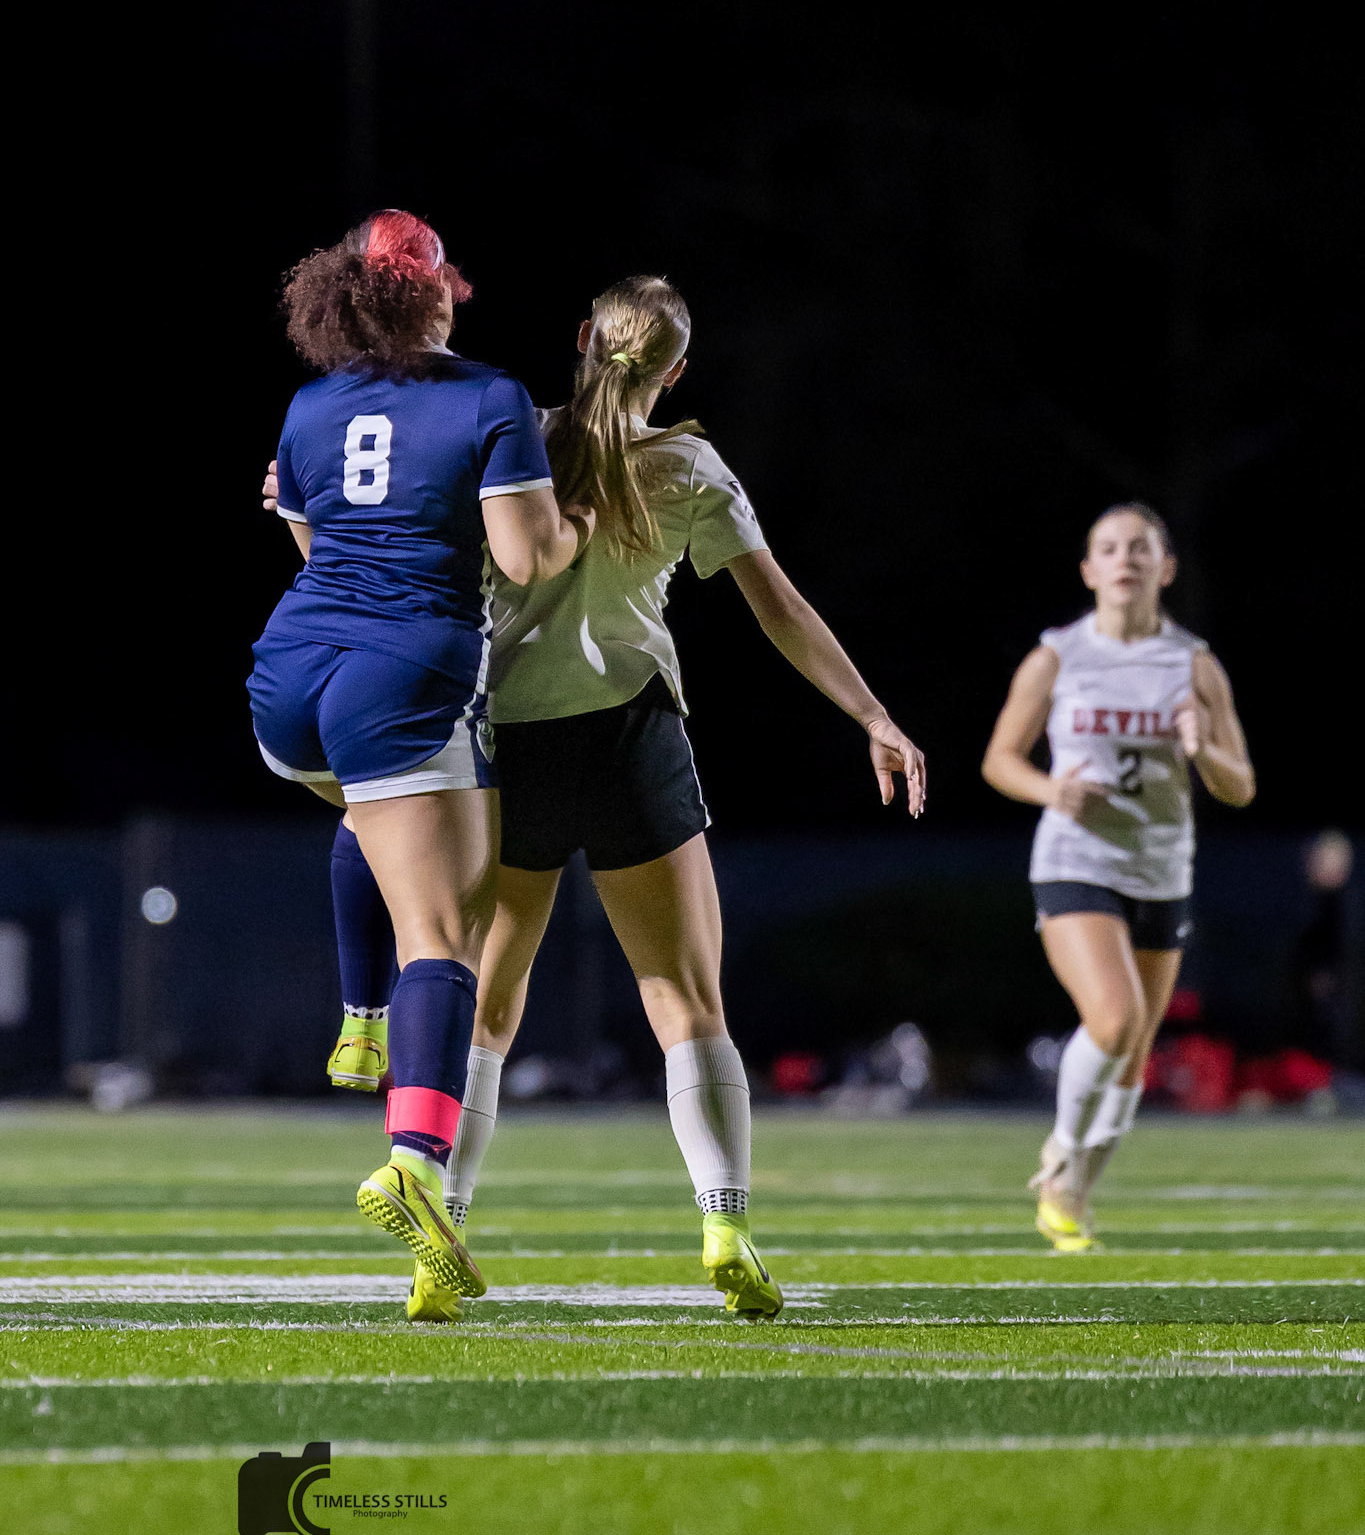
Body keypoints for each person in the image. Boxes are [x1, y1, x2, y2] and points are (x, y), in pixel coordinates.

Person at [265, 274, 925, 1324]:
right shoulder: (690, 464)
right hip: (630, 736)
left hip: (508, 740)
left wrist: (305, 492)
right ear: (676, 371)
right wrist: (873, 715)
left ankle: (443, 1233)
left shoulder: (507, 432)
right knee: (686, 1001)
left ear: (581, 339)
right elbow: (781, 609)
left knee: (485, 1006)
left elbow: (385, 530)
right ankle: (725, 1223)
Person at [249, 208, 589, 1303]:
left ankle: (360, 1022)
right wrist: (579, 521)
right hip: (401, 675)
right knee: (446, 933)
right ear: (434, 292)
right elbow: (526, 558)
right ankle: (417, 1163)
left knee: (370, 813)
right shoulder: (487, 395)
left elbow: (314, 540)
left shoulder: (311, 403)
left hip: (287, 683)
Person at [981, 503, 1254, 1250]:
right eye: (1108, 548)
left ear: (1166, 568)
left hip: (1161, 868)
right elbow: (999, 759)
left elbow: (1239, 786)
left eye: (1140, 548)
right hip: (1076, 859)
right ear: (1088, 570)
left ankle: (1072, 1195)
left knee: (1133, 1054)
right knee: (1113, 1017)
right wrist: (1051, 790)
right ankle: (1061, 1154)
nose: (1125, 559)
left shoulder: (1193, 665)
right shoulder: (1057, 657)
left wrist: (1203, 750)